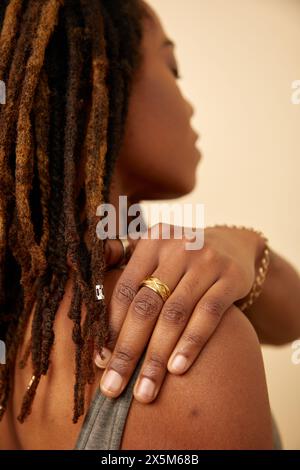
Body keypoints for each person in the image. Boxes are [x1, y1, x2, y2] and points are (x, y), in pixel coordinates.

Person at [0, 0, 299, 450]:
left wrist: (248, 248)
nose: (190, 104)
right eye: (172, 66)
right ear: (92, 88)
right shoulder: (188, 345)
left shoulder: (17, 321)